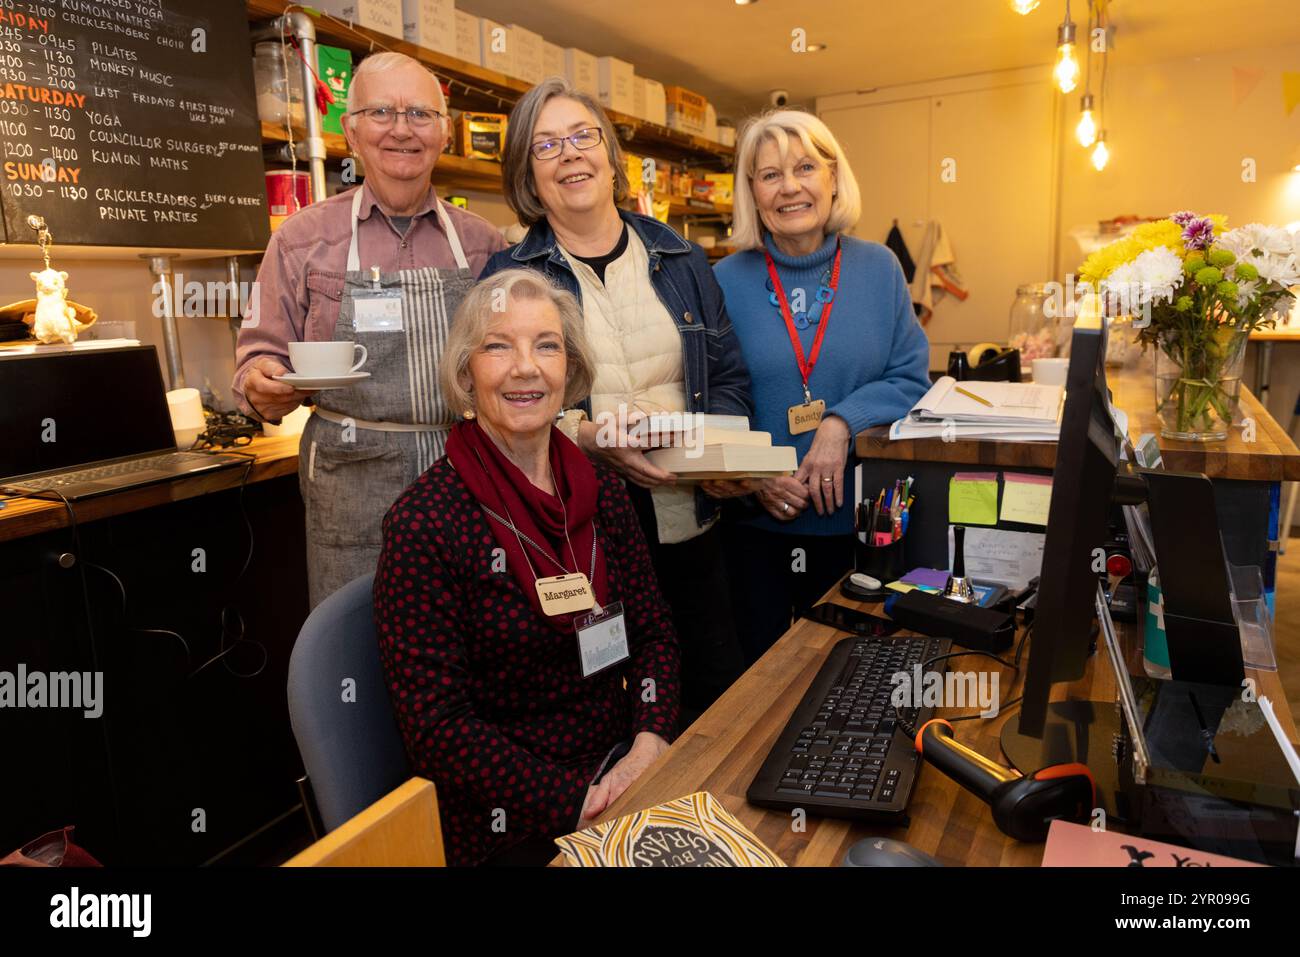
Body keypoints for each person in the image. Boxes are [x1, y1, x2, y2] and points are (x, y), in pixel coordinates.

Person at [373, 270, 681, 866]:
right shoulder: (424, 524)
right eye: (497, 345)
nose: (525, 368)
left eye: (546, 345)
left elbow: (652, 633)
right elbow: (437, 728)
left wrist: (648, 744)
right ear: (466, 374)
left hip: (621, 767)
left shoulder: (603, 493)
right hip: (504, 818)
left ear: (570, 371)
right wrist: (580, 802)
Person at [481, 77, 752, 718]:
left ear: (610, 156)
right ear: (526, 171)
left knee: (716, 699)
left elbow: (731, 380)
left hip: (690, 520)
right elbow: (500, 409)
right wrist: (585, 437)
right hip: (578, 538)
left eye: (582, 136)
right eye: (545, 146)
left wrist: (721, 453)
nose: (570, 154)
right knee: (606, 711)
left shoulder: (680, 257)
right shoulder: (510, 279)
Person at [232, 52, 506, 607]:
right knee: (356, 637)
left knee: (470, 632)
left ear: (445, 133)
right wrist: (264, 385)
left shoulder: (485, 244)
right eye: (382, 111)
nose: (402, 128)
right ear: (352, 132)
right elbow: (256, 362)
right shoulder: (301, 239)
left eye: (421, 114)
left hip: (466, 469)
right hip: (349, 477)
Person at [712, 110, 931, 663]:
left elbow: (910, 378)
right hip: (755, 528)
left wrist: (840, 423)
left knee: (850, 678)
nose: (790, 187)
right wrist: (751, 474)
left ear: (833, 177)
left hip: (861, 528)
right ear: (752, 192)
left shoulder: (879, 268)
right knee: (756, 689)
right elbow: (707, 396)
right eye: (769, 175)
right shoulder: (723, 280)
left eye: (805, 167)